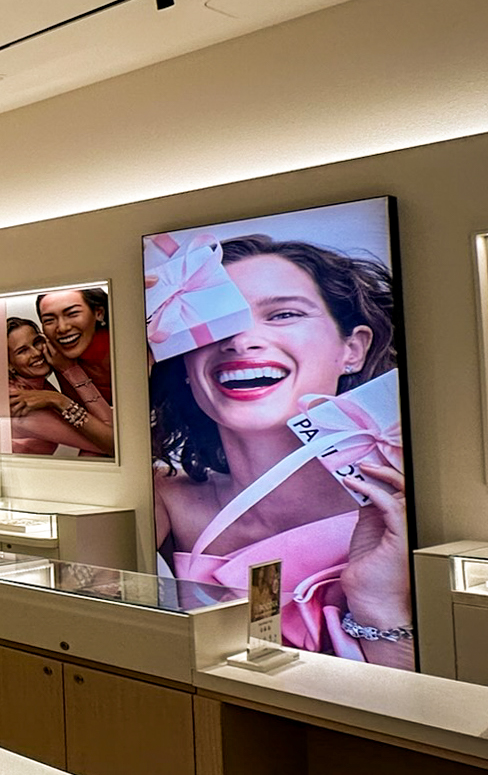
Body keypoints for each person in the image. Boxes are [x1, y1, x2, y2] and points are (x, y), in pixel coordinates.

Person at [151, 236, 410, 668]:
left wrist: (379, 606)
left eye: (283, 314)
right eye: (214, 320)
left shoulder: (402, 510)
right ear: (184, 365)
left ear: (352, 349)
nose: (241, 340)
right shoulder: (163, 498)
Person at [5, 318, 114, 457]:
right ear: (8, 364)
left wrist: (62, 369)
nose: (36, 353)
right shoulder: (18, 399)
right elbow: (113, 444)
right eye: (22, 351)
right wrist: (69, 374)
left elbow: (106, 429)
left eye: (37, 342)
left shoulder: (34, 384)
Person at [36, 287, 113, 406]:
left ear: (99, 313)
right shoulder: (57, 357)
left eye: (72, 314)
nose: (62, 328)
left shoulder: (126, 347)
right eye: (49, 320)